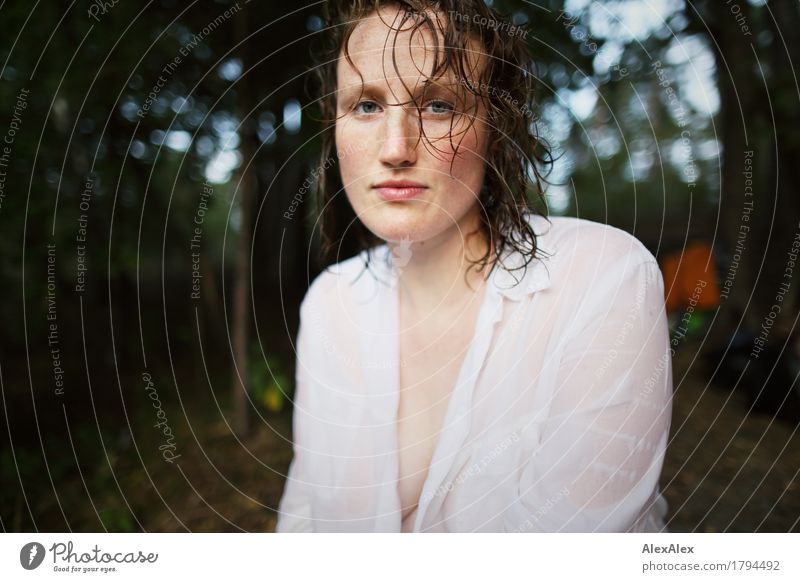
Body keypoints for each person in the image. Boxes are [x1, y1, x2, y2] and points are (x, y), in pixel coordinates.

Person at [276, 0, 673, 532]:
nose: (395, 148)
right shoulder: (331, 301)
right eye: (367, 106)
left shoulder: (602, 278)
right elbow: (304, 524)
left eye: (439, 105)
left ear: (496, 130)